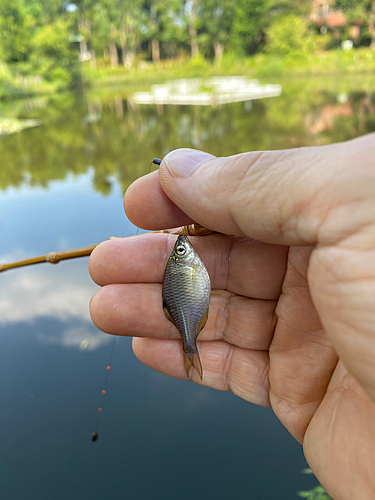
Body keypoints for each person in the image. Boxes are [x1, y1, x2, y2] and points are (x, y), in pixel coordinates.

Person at [89, 133, 375, 500]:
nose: (183, 247)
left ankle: (190, 346)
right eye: (181, 249)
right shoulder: (187, 263)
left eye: (181, 248)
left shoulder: (187, 262)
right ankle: (189, 346)